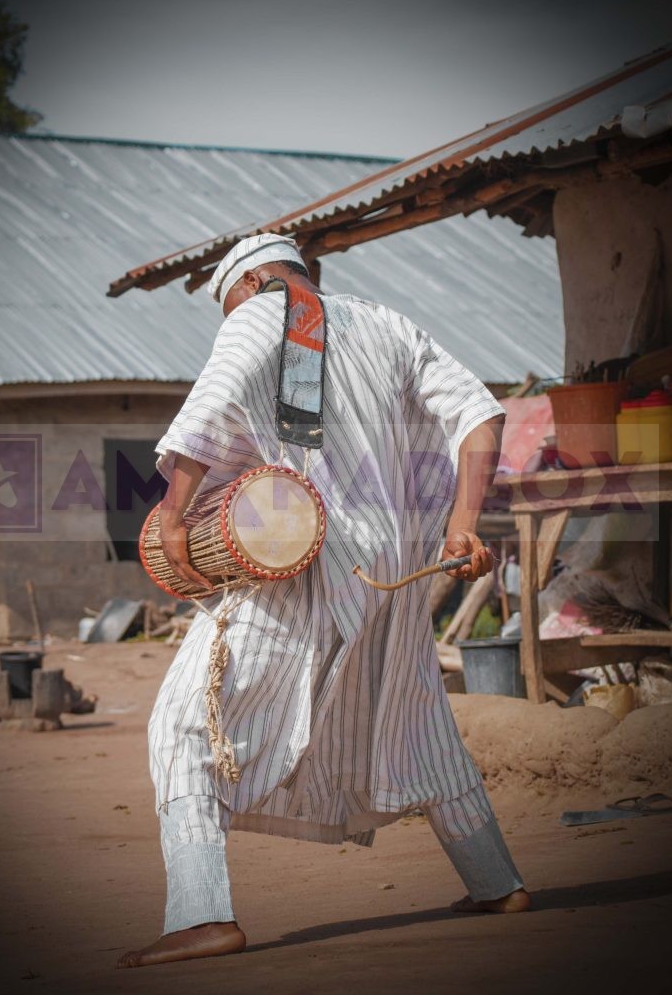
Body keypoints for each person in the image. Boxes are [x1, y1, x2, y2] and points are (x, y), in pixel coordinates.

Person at [118, 233, 529, 970]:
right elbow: (479, 416)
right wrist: (462, 524)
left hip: (304, 551)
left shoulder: (259, 316)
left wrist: (175, 518)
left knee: (187, 725)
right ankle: (497, 883)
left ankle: (200, 915)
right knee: (417, 714)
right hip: (399, 558)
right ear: (308, 275)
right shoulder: (386, 321)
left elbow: (210, 409)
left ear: (245, 289)